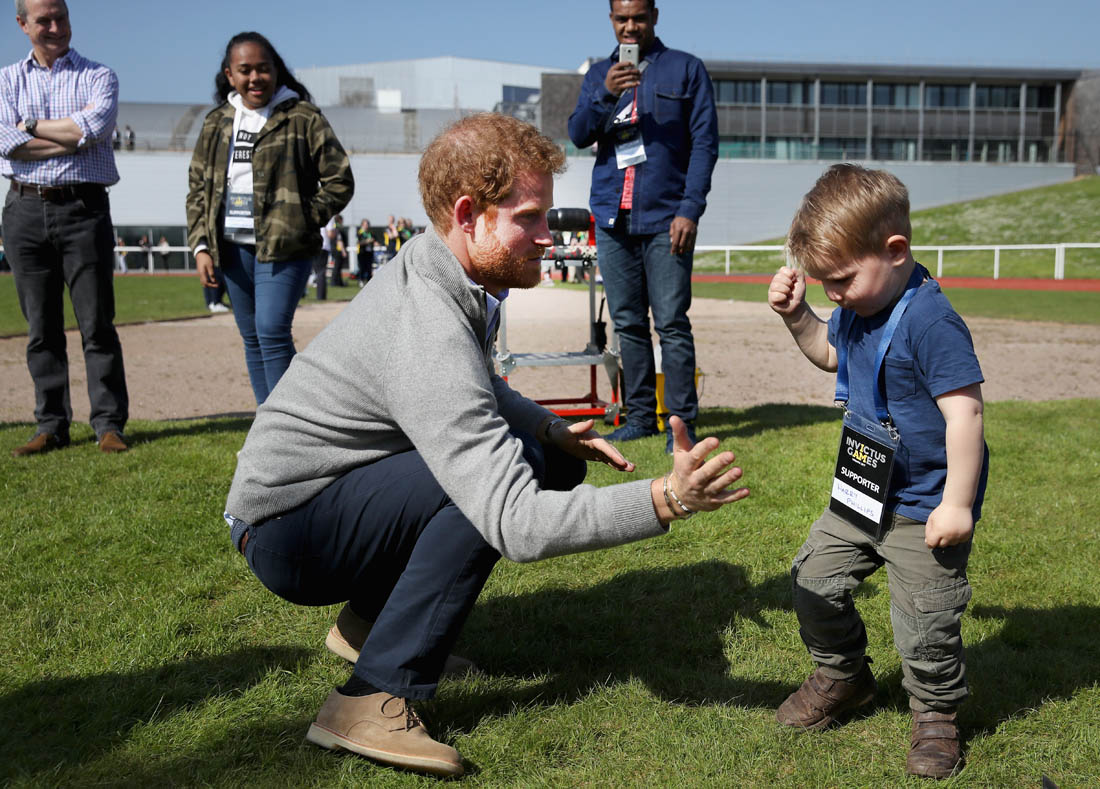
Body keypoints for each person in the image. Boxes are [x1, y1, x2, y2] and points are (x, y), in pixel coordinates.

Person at [223, 113, 749, 778]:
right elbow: (516, 523)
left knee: (542, 457)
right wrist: (667, 498)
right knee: (477, 494)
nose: (547, 235)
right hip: (286, 533)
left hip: (314, 505)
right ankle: (370, 698)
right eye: (529, 217)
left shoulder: (441, 269)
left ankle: (365, 627)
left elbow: (475, 384)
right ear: (468, 215)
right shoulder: (429, 322)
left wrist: (549, 428)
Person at [767, 164, 988, 780]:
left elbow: (966, 414)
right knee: (813, 579)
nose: (834, 294)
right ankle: (844, 676)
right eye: (824, 284)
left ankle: (936, 713)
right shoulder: (861, 303)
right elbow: (831, 353)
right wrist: (798, 316)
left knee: (926, 619)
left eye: (840, 280)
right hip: (862, 492)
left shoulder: (931, 322)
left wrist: (956, 505)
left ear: (895, 250)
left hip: (924, 504)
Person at [568, 0, 718, 453]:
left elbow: (705, 143)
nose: (630, 26)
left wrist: (690, 209)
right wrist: (605, 94)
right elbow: (578, 133)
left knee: (671, 322)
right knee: (628, 324)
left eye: (638, 17)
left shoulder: (686, 69)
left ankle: (680, 425)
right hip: (613, 215)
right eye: (622, 19)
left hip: (667, 217)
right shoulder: (599, 75)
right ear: (611, 20)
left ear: (655, 15)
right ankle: (639, 419)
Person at [186, 31, 353, 406]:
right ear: (229, 75)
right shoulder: (216, 122)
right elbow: (198, 187)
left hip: (284, 246)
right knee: (252, 337)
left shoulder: (302, 117)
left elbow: (340, 180)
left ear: (276, 70)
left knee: (272, 330)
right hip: (231, 246)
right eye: (245, 70)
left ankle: (288, 426)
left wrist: (301, 217)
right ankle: (269, 423)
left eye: (263, 68)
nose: (255, 78)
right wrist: (201, 246)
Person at [1, 0, 129, 456]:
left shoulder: (99, 76)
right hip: (24, 209)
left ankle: (108, 424)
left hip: (83, 208)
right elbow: (6, 142)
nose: (56, 27)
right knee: (41, 327)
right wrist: (70, 138)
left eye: (62, 17)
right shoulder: (6, 79)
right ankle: (51, 425)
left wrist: (33, 127)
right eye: (44, 20)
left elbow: (92, 129)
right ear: (22, 24)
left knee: (97, 323)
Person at [354, 218, 374, 286]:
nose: (367, 226)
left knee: (369, 267)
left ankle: (369, 281)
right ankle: (361, 280)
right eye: (365, 224)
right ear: (362, 225)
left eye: (367, 224)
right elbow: (358, 242)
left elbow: (374, 240)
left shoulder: (369, 233)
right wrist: (367, 241)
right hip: (362, 253)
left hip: (369, 252)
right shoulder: (359, 233)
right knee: (362, 267)